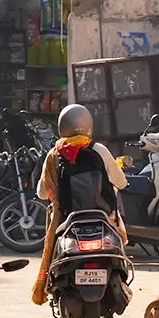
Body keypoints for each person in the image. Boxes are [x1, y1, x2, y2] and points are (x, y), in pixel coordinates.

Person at [32, 103, 127, 306]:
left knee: (53, 255)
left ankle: (50, 284)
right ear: (88, 125)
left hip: (66, 219)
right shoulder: (99, 150)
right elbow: (121, 182)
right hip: (103, 217)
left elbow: (42, 193)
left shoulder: (53, 155)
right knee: (120, 240)